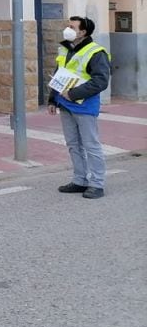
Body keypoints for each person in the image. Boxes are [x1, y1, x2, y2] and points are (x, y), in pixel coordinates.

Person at [47, 15, 111, 199]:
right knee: (73, 144)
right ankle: (79, 180)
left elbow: (100, 82)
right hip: (65, 104)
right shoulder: (65, 48)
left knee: (91, 145)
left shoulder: (96, 52)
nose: (68, 29)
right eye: (68, 26)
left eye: (72, 27)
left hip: (84, 106)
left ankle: (97, 184)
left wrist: (74, 94)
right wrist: (53, 99)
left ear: (83, 32)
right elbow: (59, 75)